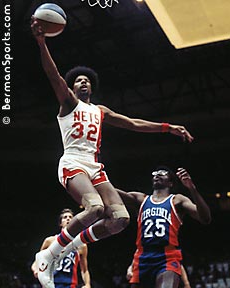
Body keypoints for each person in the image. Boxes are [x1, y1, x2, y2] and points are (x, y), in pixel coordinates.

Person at [30, 17, 194, 288]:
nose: (83, 83)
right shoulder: (68, 103)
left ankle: (70, 246)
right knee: (95, 208)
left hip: (94, 166)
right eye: (78, 81)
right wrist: (41, 43)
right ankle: (48, 255)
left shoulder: (100, 111)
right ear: (72, 88)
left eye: (86, 81)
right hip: (73, 162)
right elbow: (53, 74)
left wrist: (168, 128)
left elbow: (133, 123)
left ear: (91, 87)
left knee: (120, 219)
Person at [117, 167, 211, 288]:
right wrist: (98, 178)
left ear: (170, 183)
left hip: (167, 257)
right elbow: (113, 193)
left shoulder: (177, 200)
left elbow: (205, 218)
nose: (157, 175)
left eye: (162, 173)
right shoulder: (141, 199)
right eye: (155, 173)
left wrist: (192, 188)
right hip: (142, 257)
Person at [31, 208, 91, 288]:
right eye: (65, 217)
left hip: (70, 284)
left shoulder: (81, 245)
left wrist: (87, 284)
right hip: (50, 282)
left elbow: (84, 270)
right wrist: (36, 269)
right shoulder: (50, 241)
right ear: (60, 223)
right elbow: (37, 261)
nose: (68, 219)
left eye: (70, 217)